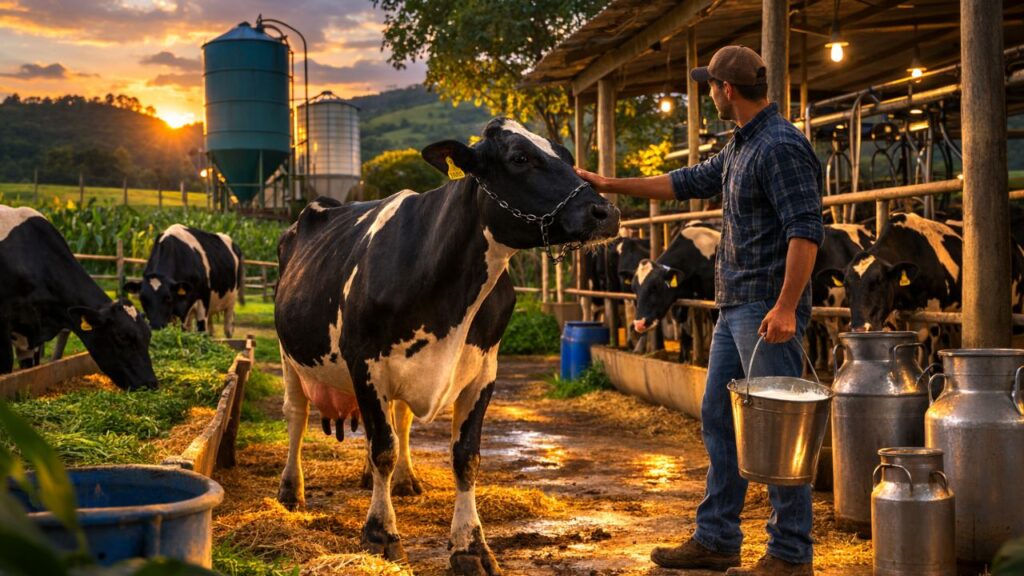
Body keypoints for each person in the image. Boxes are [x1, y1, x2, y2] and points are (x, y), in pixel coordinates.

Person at [575, 45, 823, 576]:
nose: (709, 93)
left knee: (778, 430)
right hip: (734, 304)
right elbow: (680, 183)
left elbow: (806, 231)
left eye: (710, 85)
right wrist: (609, 184)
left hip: (765, 310)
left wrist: (784, 307)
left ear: (726, 90)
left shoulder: (781, 146)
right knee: (718, 418)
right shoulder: (740, 146)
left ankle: (790, 552)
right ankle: (717, 539)